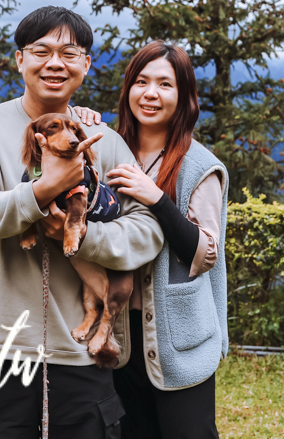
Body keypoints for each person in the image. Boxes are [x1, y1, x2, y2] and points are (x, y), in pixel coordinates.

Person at [0, 6, 164, 439]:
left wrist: (80, 235)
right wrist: (42, 191)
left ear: (86, 64)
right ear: (19, 60)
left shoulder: (106, 141)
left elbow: (147, 230)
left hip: (81, 354)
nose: (55, 63)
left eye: (69, 52)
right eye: (41, 51)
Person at [78, 40, 228, 439]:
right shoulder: (109, 149)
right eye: (141, 82)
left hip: (179, 337)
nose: (150, 93)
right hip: (118, 334)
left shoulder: (200, 165)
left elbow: (203, 253)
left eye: (165, 84)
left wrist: (157, 198)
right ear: (127, 90)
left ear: (183, 97)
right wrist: (82, 119)